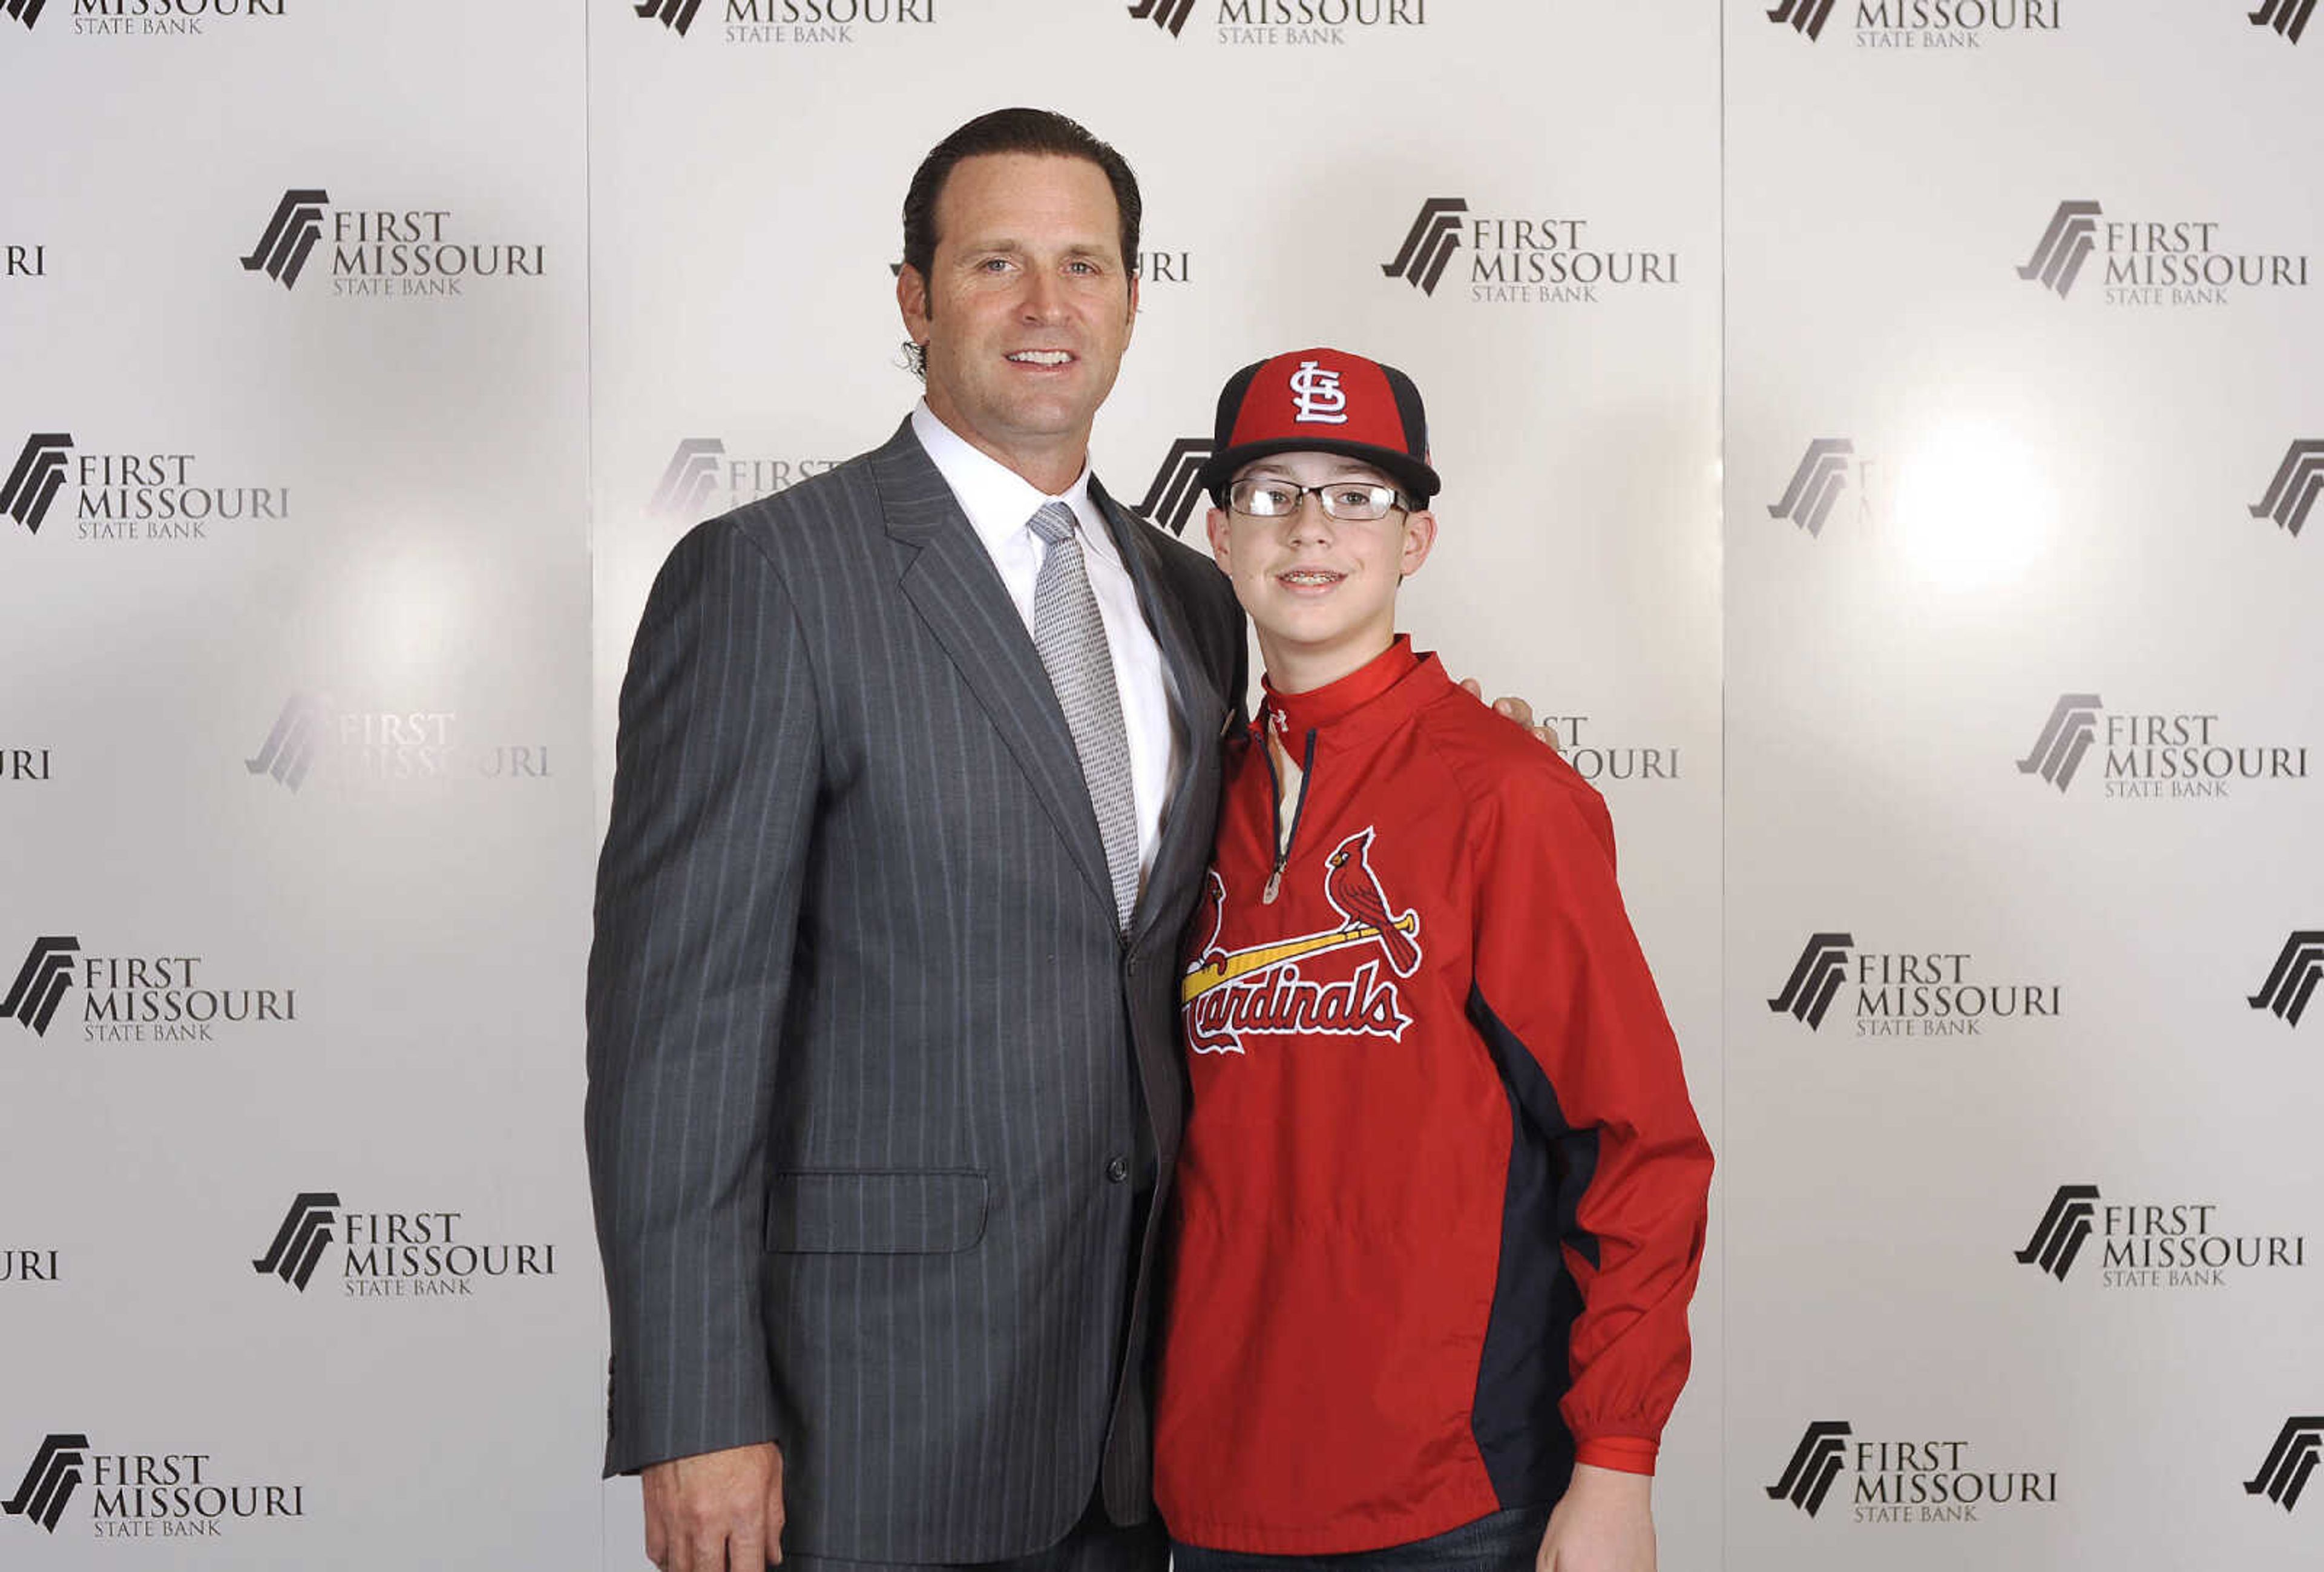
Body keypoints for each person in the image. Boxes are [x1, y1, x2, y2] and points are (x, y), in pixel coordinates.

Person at [1154, 348, 1713, 1572]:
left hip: (1448, 1501)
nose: (1310, 529)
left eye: (1356, 495)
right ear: (1219, 534)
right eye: (1271, 494)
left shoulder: (1503, 797)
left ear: (1415, 540)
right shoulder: (1193, 803)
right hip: (1207, 1489)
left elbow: (1637, 1151)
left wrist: (1616, 1465)